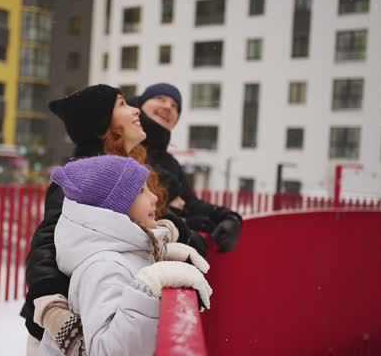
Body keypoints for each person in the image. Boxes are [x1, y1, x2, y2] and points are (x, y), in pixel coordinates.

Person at [21, 85, 208, 354]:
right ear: (102, 122)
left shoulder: (129, 165)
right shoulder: (88, 176)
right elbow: (51, 240)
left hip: (107, 313)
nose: (135, 108)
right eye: (121, 104)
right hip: (70, 331)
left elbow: (127, 230)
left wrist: (169, 233)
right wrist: (51, 306)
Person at [36, 155, 212, 355]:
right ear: (115, 208)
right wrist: (148, 285)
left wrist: (160, 255)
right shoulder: (103, 267)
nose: (154, 197)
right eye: (141, 191)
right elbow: (106, 351)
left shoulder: (115, 258)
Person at [128, 83, 243, 253]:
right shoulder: (124, 146)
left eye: (175, 106)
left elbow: (190, 203)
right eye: (160, 99)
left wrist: (227, 216)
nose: (168, 107)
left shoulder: (170, 163)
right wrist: (183, 227)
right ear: (140, 104)